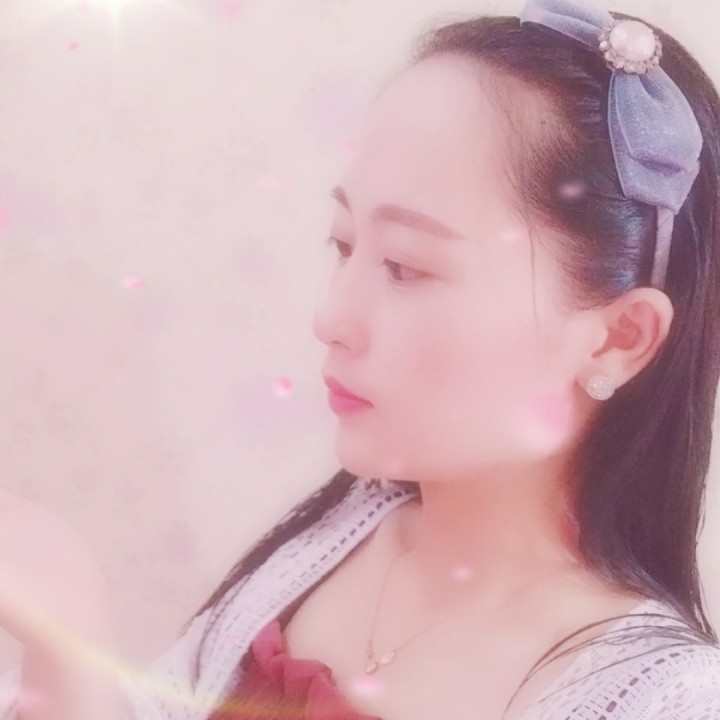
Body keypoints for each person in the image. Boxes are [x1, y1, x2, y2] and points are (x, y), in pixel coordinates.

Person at [2, 0, 720, 717]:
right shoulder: (338, 538)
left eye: (406, 266)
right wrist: (66, 642)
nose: (331, 320)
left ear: (618, 338)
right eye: (345, 245)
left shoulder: (662, 701)